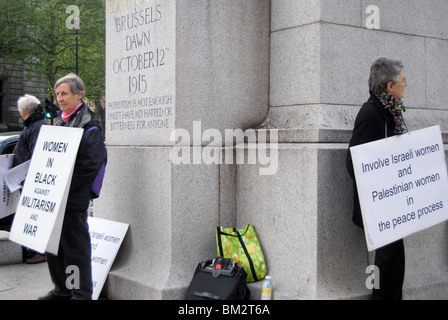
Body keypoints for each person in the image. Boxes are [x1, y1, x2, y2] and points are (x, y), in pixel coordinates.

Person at [39, 73, 106, 300]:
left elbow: (90, 167)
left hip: (72, 199)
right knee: (54, 248)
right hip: (53, 197)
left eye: (64, 93)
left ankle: (79, 294)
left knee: (74, 250)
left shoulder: (90, 128)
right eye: (57, 94)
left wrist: (63, 186)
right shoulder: (61, 122)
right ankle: (62, 290)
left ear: (79, 95)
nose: (59, 98)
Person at [346, 57, 408, 300]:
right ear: (389, 87)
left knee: (394, 262)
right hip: (378, 205)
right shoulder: (370, 114)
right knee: (387, 262)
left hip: (391, 202)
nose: (406, 84)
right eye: (403, 80)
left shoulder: (392, 112)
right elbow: (352, 163)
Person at [0, 94, 47, 264]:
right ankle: (32, 250)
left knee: (32, 217)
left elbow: (36, 154)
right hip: (24, 179)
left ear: (25, 111)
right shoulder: (34, 125)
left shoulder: (36, 126)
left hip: (28, 179)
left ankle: (38, 251)